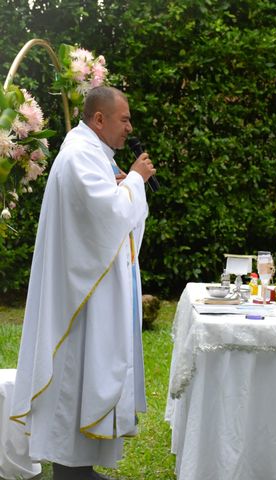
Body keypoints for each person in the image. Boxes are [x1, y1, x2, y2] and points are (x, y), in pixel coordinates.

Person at [10, 86, 156, 480]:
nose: (129, 128)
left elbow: (110, 212)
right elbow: (108, 214)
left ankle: (79, 466)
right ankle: (71, 470)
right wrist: (136, 182)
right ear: (98, 119)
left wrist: (126, 184)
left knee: (86, 370)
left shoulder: (92, 154)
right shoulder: (79, 155)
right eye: (124, 119)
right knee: (76, 370)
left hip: (93, 290)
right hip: (80, 297)